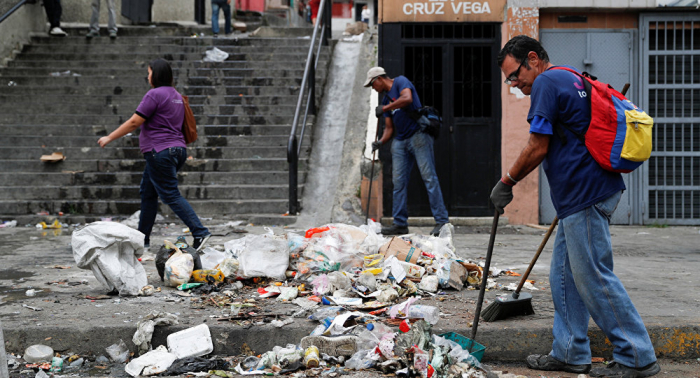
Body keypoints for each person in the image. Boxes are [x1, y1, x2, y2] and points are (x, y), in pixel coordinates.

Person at [491, 35, 659, 378]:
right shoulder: (568, 75)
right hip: (581, 194)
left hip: (586, 192)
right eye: (509, 79)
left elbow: (538, 146)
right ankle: (569, 352)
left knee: (594, 276)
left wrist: (507, 181)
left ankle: (637, 357)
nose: (514, 83)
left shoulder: (547, 83)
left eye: (514, 74)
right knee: (564, 278)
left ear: (533, 59)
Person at [97, 59, 212, 252]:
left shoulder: (154, 94)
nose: (147, 76)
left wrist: (109, 137)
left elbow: (135, 122)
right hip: (177, 150)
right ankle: (142, 240)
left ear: (156, 75)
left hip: (159, 151)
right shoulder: (175, 95)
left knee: (170, 194)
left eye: (149, 73)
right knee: (148, 193)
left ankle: (200, 232)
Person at [365, 67, 449, 236]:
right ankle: (400, 224)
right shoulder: (386, 99)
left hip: (418, 136)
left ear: (379, 79)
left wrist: (386, 108)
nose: (373, 88)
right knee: (398, 183)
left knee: (429, 177)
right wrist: (379, 143)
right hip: (400, 140)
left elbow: (407, 98)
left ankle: (442, 221)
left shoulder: (400, 82)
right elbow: (389, 129)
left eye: (372, 85)